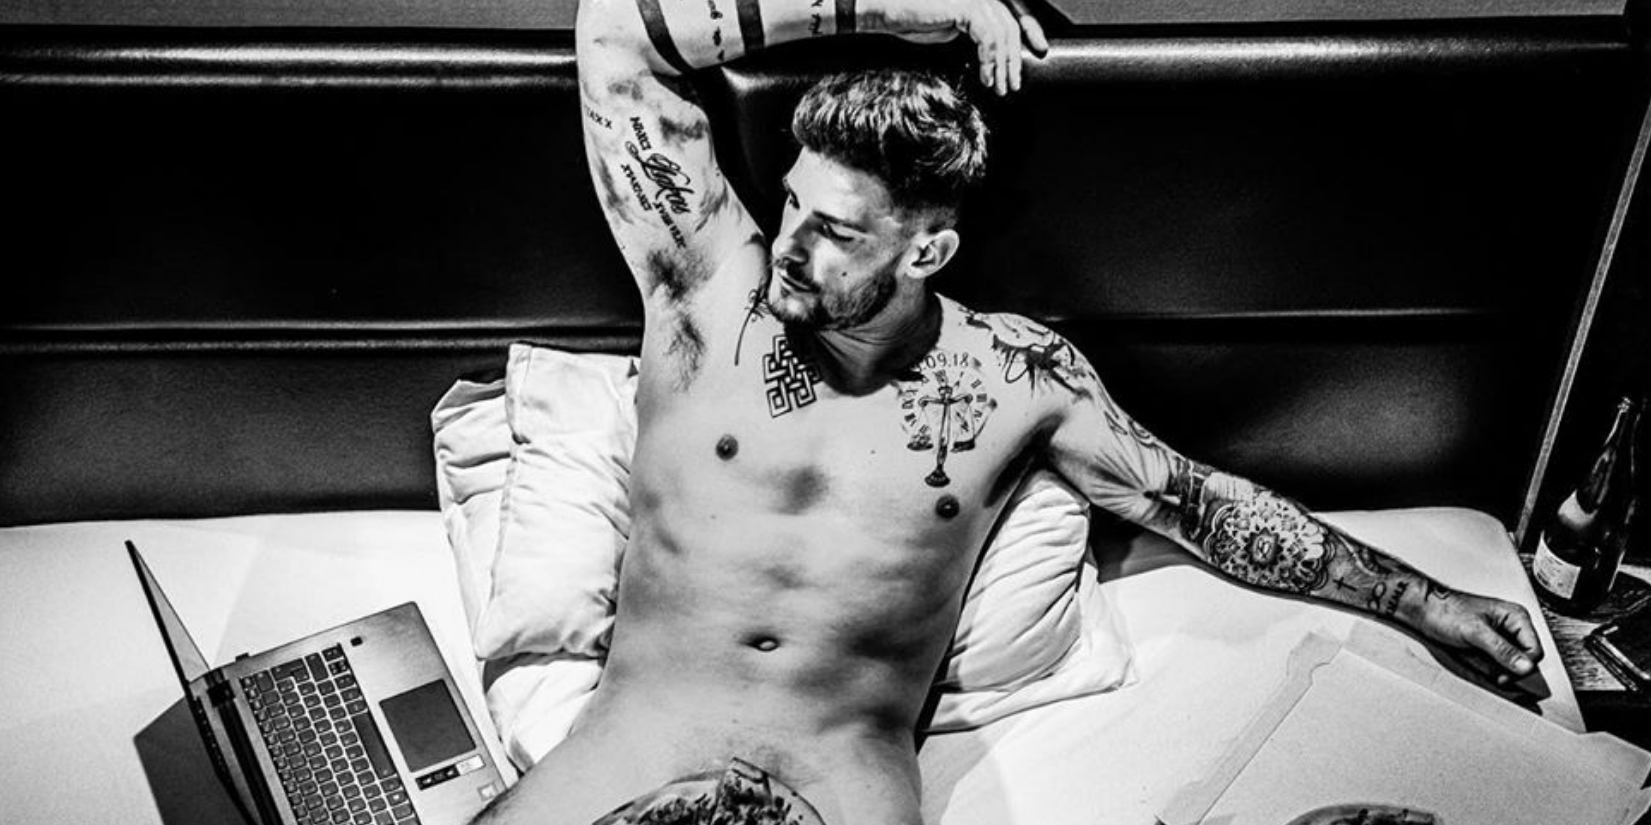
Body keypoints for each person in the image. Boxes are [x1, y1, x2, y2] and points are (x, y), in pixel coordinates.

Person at [476, 0, 1545, 822]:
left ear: (927, 250)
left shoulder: (1018, 377)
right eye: (791, 202)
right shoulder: (709, 296)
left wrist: (1422, 601)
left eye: (834, 231)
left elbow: (1195, 504)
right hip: (630, 754)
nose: (789, 245)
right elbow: (615, 31)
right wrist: (918, 7)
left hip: (834, 788)